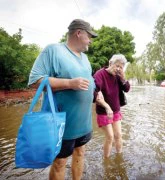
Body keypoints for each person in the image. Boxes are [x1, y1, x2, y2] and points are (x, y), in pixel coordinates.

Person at [28, 19, 98, 180]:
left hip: (84, 122)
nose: (91, 41)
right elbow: (34, 81)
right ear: (78, 33)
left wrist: (96, 94)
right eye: (89, 36)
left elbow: (88, 82)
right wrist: (68, 83)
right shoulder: (53, 50)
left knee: (80, 153)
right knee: (60, 162)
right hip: (61, 123)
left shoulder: (85, 59)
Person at [94, 54, 130, 158]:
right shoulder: (100, 74)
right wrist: (106, 106)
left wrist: (123, 78)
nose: (118, 69)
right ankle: (106, 161)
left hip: (116, 111)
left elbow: (127, 89)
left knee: (118, 135)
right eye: (117, 65)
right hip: (103, 111)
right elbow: (94, 92)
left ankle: (119, 157)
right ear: (110, 63)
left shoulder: (118, 76)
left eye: (121, 67)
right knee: (110, 136)